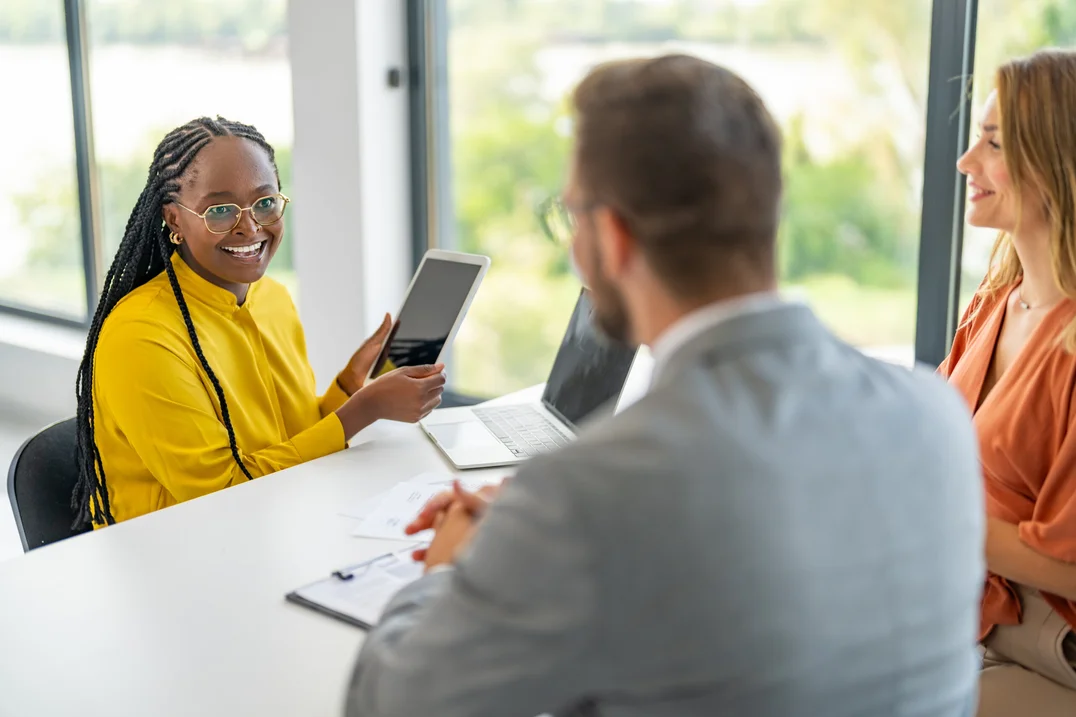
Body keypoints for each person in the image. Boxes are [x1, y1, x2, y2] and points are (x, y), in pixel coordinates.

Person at [344, 55, 984, 717]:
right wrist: (529, 539)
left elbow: (387, 704)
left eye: (571, 217)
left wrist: (453, 569)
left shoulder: (591, 489)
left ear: (613, 236)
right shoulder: (935, 414)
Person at [72, 116, 445, 528]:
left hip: (280, 521)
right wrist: (365, 410)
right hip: (178, 545)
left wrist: (350, 387)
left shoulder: (272, 298)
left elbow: (290, 443)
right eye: (220, 211)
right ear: (175, 220)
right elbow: (222, 492)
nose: (250, 227)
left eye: (265, 203)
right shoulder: (141, 335)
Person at [943, 49, 1076, 716]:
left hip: (1050, 646)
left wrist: (935, 512)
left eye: (993, 144)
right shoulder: (996, 301)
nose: (966, 162)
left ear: (1056, 162)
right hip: (972, 617)